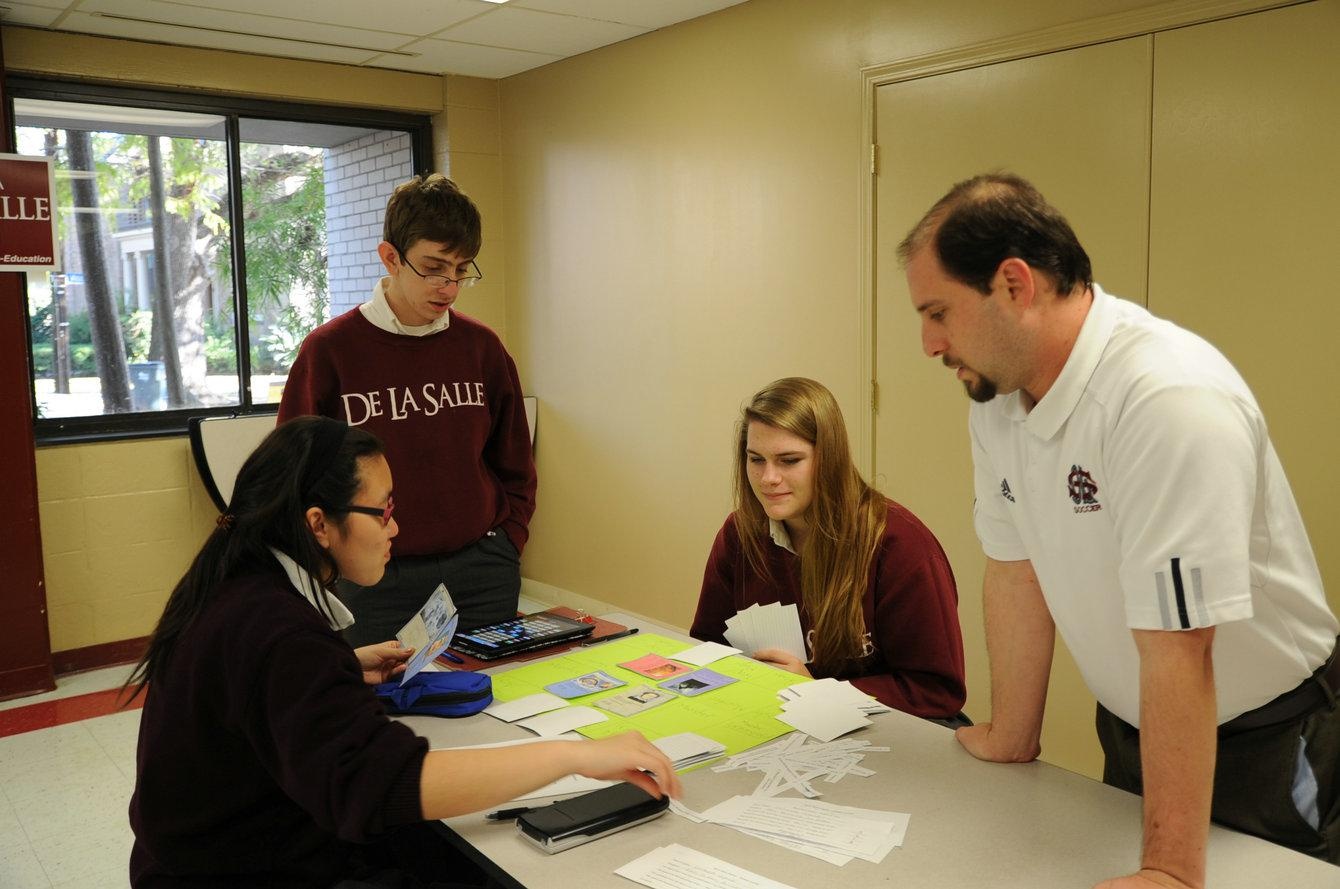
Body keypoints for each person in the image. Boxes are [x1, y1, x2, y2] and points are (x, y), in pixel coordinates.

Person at [898, 173, 1340, 888]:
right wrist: (1013, 732)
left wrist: (1169, 868)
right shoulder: (997, 397)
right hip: (1140, 730)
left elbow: (1182, 642)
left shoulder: (1164, 398)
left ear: (1013, 285)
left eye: (938, 311)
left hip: (1266, 742)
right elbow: (1015, 568)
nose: (928, 342)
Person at [126, 416, 678, 888]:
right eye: (382, 512)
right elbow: (382, 786)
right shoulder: (281, 633)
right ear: (318, 523)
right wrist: (576, 755)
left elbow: (264, 706)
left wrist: (340, 667)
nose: (396, 527)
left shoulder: (241, 582)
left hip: (206, 856)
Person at [279, 174, 535, 647]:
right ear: (391, 257)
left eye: (461, 270)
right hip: (374, 580)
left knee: (494, 704)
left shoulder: (482, 348)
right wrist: (332, 564)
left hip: (482, 568)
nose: (450, 286)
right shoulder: (330, 352)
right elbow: (292, 479)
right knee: (377, 708)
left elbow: (515, 460)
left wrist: (508, 541)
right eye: (434, 268)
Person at [690, 377, 968, 722]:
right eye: (756, 459)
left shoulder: (900, 545)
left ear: (830, 459)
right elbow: (709, 646)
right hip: (773, 720)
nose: (767, 478)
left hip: (886, 729)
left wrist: (818, 690)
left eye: (789, 460)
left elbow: (935, 691)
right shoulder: (740, 534)